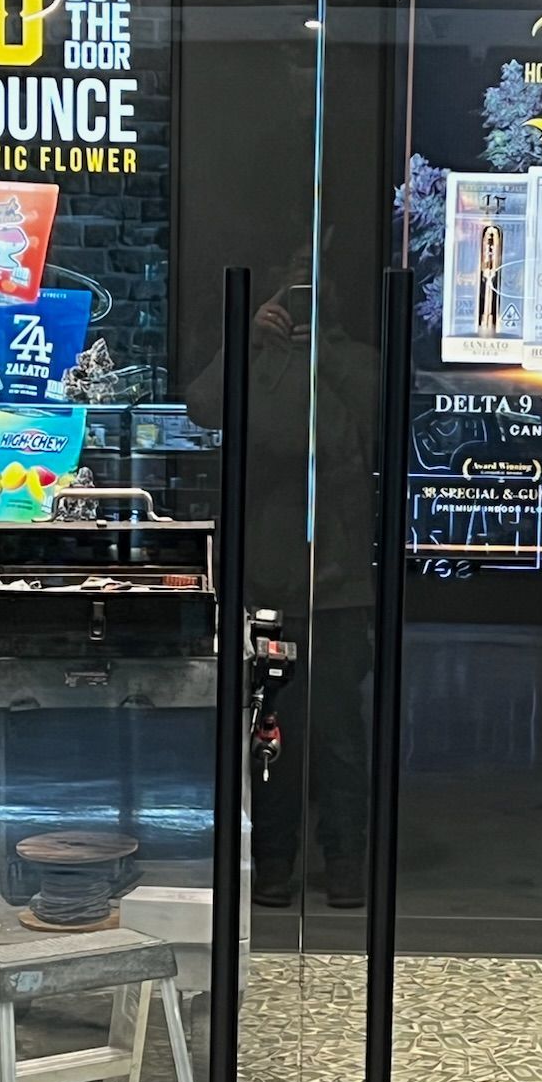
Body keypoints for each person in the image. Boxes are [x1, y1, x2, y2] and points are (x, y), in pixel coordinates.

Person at [188, 255, 376, 908]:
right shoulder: (260, 359)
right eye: (293, 296)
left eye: (314, 297)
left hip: (340, 585)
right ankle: (272, 865)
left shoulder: (355, 361)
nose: (300, 309)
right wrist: (246, 343)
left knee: (339, 737)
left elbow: (371, 418)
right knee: (269, 734)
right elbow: (204, 407)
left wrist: (323, 352)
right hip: (267, 582)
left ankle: (346, 864)